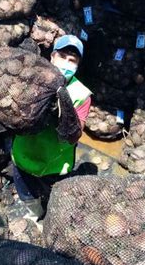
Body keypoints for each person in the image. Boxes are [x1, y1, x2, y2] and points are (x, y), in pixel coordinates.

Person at [11, 35, 92, 220]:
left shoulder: (81, 94)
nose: (66, 63)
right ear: (52, 56)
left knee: (56, 197)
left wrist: (62, 113)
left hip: (55, 163)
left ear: (78, 65)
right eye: (62, 56)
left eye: (72, 60)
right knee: (27, 195)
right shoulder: (31, 78)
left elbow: (76, 132)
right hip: (23, 155)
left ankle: (53, 217)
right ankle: (35, 216)